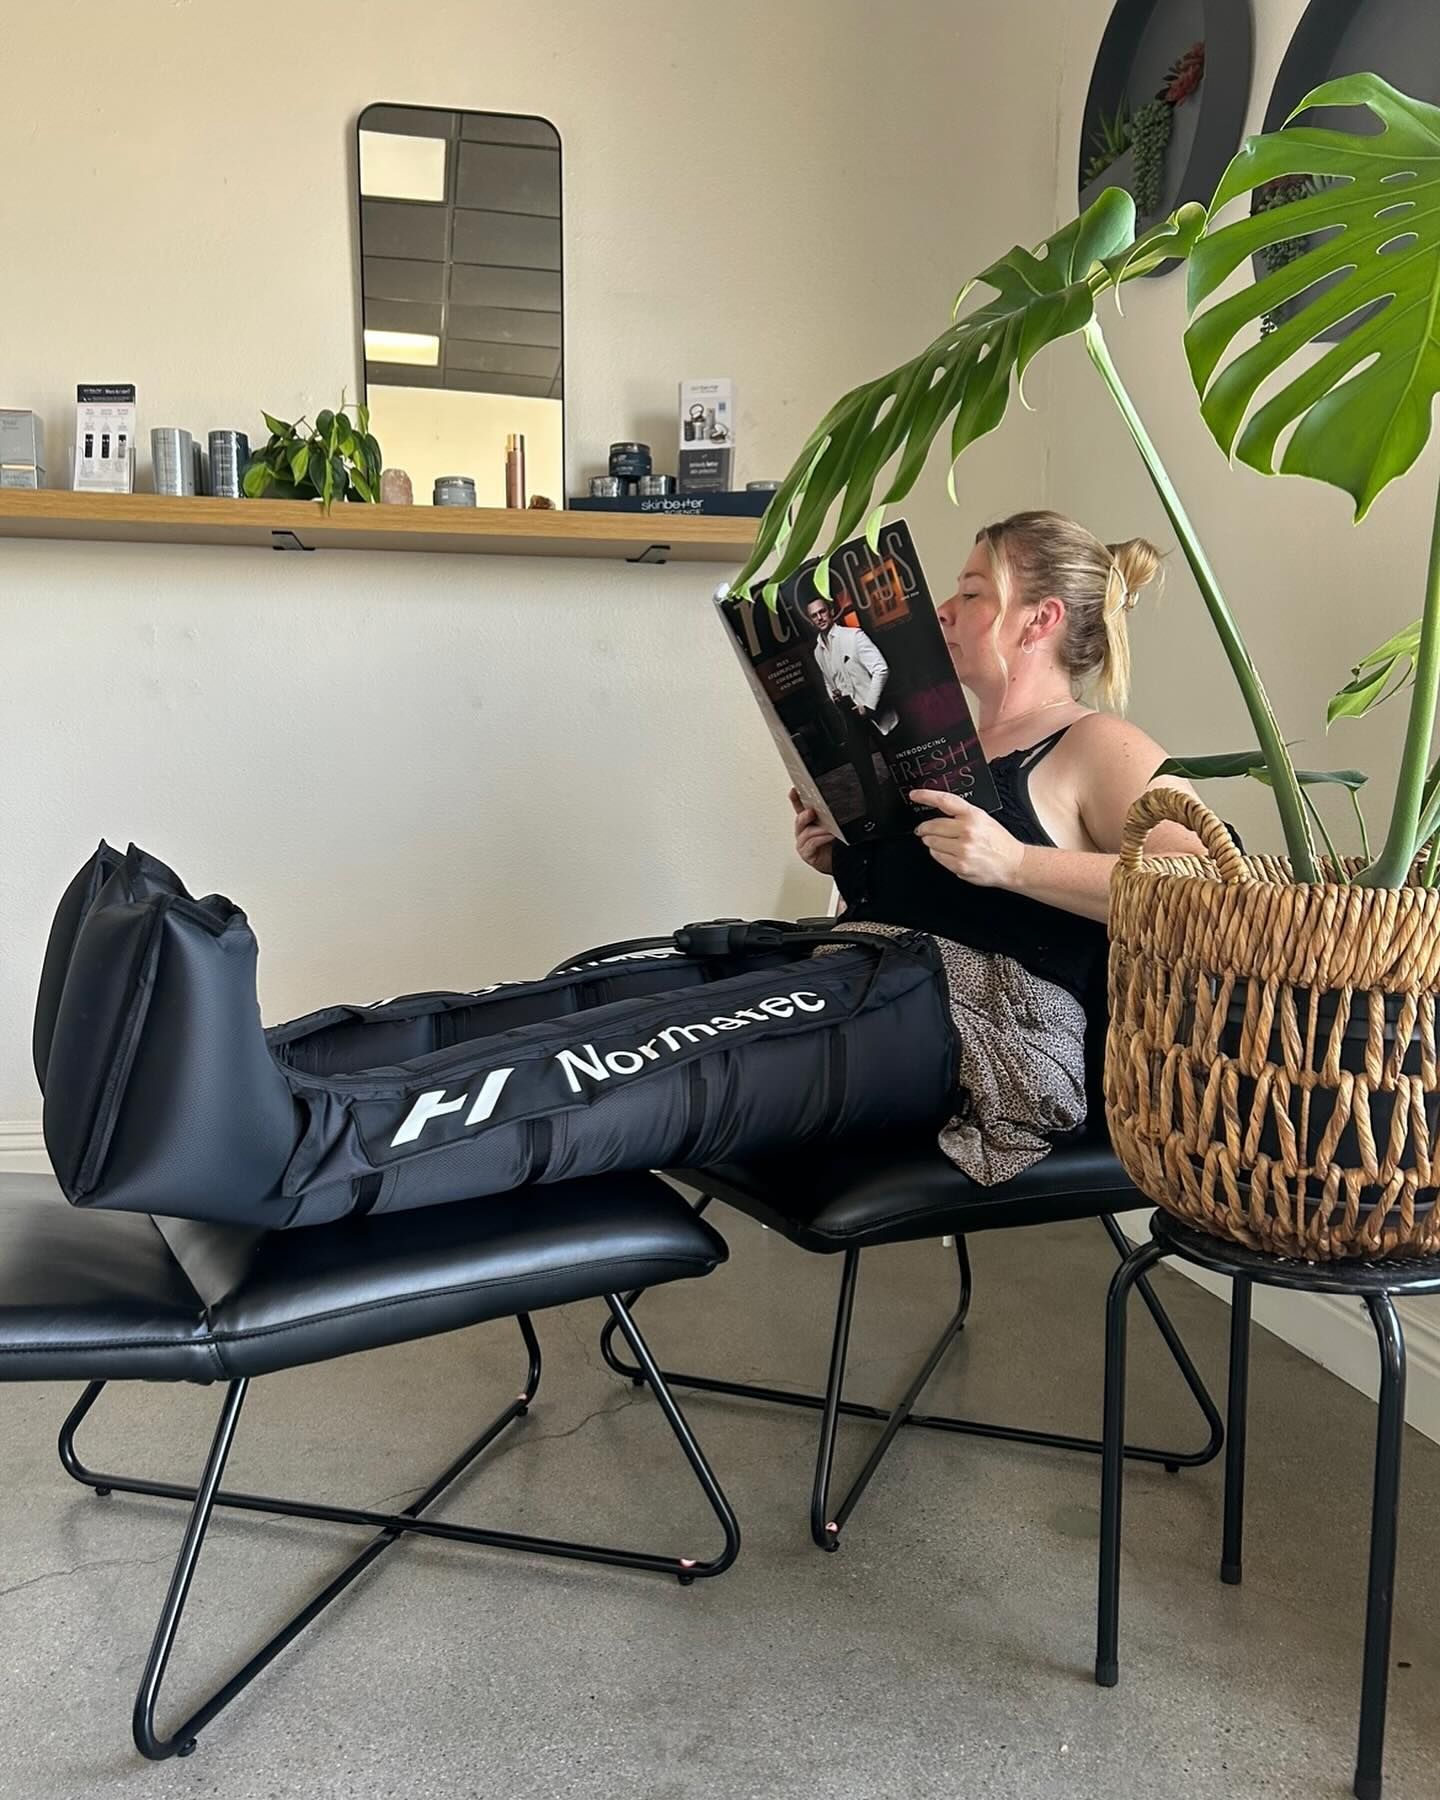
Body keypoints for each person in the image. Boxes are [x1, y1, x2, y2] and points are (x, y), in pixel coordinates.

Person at [792, 509, 1207, 1180]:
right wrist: (840, 855)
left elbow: (1209, 885)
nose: (944, 612)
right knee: (668, 995)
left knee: (704, 1061)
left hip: (992, 1038)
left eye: (972, 592)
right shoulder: (936, 749)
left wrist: (1015, 863)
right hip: (870, 989)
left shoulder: (1095, 743)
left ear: (1039, 620)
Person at [803, 588, 899, 826]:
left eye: (822, 611)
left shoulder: (853, 636)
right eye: (814, 616)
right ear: (811, 620)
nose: (820, 618)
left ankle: (909, 807)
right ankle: (878, 819)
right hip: (849, 713)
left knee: (895, 761)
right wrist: (833, 694)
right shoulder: (817, 651)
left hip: (872, 710)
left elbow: (881, 669)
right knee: (862, 768)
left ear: (831, 611)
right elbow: (828, 679)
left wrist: (868, 704)